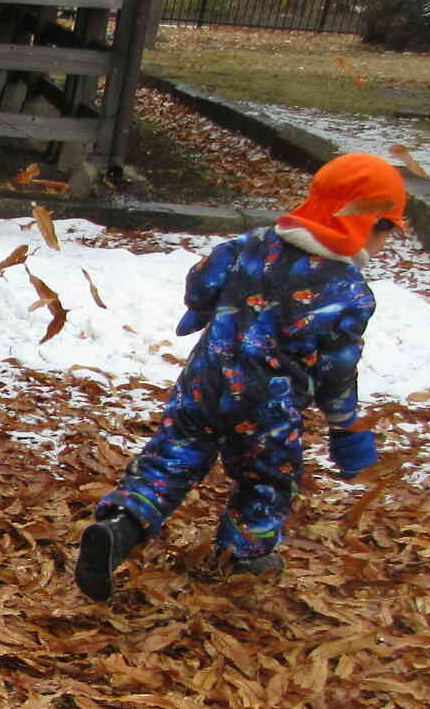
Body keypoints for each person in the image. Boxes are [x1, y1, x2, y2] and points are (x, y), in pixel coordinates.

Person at [74, 151, 407, 602]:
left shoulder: (249, 244)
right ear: (372, 225)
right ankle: (245, 555)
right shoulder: (350, 293)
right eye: (389, 231)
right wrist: (345, 426)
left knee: (172, 457)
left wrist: (204, 308)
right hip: (267, 407)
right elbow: (336, 370)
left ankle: (122, 525)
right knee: (266, 479)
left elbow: (201, 281)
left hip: (203, 384)